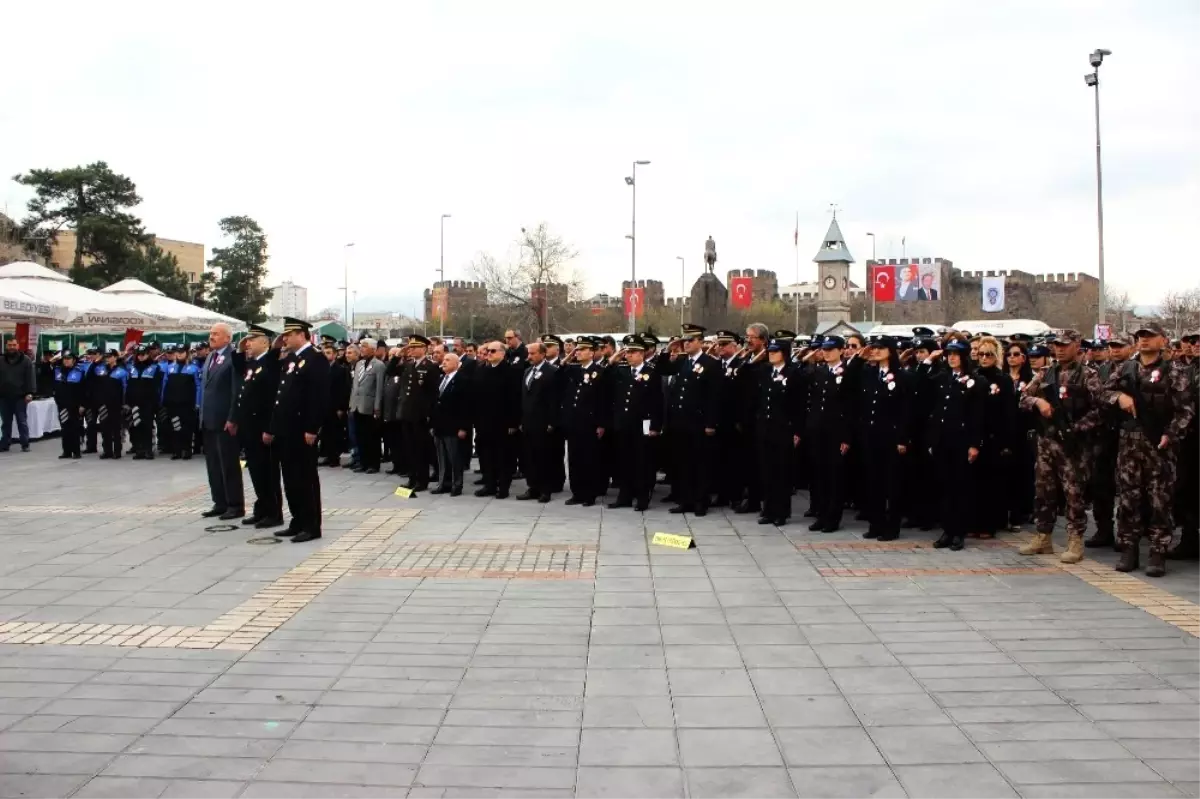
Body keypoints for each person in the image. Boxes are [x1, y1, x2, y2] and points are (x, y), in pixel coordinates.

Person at [1102, 322, 1195, 577]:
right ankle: (1129, 548)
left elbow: (1185, 411)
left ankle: (1157, 551)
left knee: (1159, 500)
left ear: (1163, 340)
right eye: (1140, 336)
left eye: (1149, 336)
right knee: (1129, 498)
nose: (1144, 340)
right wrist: (1118, 398)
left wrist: (1171, 434)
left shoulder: (1174, 371)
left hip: (1158, 444)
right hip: (1129, 442)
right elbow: (1103, 392)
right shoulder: (1125, 369)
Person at [1016, 330, 1103, 563]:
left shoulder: (1088, 375)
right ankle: (1043, 537)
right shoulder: (1046, 373)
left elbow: (1100, 410)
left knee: (1074, 494)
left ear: (1077, 346)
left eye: (1065, 345)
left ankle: (1075, 540)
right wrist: (1039, 401)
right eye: (1057, 345)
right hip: (1047, 443)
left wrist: (1077, 428)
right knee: (1044, 491)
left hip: (1074, 446)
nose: (1061, 349)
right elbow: (1023, 399)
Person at [267, 318, 330, 543]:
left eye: (289, 335)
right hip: (286, 429)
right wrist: (274, 427)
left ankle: (311, 525)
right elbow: (281, 397)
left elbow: (319, 398)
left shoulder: (315, 359)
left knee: (305, 478)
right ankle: (297, 520)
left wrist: (312, 428)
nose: (285, 339)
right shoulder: (291, 359)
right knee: (290, 478)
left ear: (301, 335)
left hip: (302, 429)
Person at [657, 323, 721, 516]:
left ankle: (701, 501)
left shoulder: (710, 363)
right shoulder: (683, 362)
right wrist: (668, 349)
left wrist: (710, 423)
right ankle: (686, 500)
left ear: (701, 342)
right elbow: (663, 368)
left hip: (698, 422)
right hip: (680, 422)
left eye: (690, 340)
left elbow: (714, 397)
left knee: (699, 464)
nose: (686, 344)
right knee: (683, 464)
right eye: (684, 340)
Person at [928, 338, 984, 550]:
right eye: (948, 354)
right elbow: (934, 409)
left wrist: (974, 444)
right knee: (944, 487)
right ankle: (947, 530)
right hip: (943, 439)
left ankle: (959, 532)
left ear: (964, 356)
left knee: (960, 488)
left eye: (955, 354)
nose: (951, 357)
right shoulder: (942, 378)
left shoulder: (974, 381)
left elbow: (977, 415)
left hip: (961, 440)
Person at [858, 336, 911, 540]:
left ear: (891, 350)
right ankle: (876, 524)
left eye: (881, 348)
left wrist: (902, 439)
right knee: (873, 483)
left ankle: (892, 526)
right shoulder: (869, 373)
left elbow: (906, 411)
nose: (876, 351)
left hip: (891, 437)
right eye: (874, 347)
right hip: (871, 436)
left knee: (892, 485)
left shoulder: (901, 376)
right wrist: (859, 359)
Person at [234, 325, 283, 529]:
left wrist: (270, 429)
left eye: (252, 340)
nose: (248, 344)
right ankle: (261, 509)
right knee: (255, 471)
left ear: (264, 342)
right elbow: (239, 371)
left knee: (267, 473)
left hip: (262, 427)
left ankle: (274, 513)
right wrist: (238, 350)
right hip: (250, 427)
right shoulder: (253, 364)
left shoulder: (270, 364)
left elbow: (272, 401)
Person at [608, 334, 663, 511]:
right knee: (624, 461)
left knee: (641, 463)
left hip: (642, 424)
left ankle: (642, 498)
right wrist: (614, 359)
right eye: (627, 352)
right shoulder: (622, 371)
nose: (628, 355)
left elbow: (657, 401)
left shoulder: (652, 372)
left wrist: (655, 426)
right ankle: (624, 496)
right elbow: (604, 375)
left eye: (632, 352)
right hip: (624, 424)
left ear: (642, 354)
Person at [806, 335, 854, 532]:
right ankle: (822, 515)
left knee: (834, 477)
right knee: (820, 475)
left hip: (836, 432)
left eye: (831, 349)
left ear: (841, 350)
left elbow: (851, 407)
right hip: (818, 431)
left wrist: (846, 437)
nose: (826, 352)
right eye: (824, 349)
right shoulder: (819, 371)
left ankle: (833, 518)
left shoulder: (848, 373)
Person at [755, 337, 804, 526]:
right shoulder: (765, 371)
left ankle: (781, 512)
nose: (771, 354)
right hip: (765, 428)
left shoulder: (793, 373)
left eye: (775, 351)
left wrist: (797, 431)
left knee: (781, 473)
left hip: (784, 429)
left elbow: (799, 406)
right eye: (770, 351)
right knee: (767, 471)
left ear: (784, 353)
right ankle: (768, 509)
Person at [199, 322, 245, 520]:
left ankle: (235, 505)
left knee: (229, 465)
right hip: (208, 419)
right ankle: (219, 502)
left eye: (216, 334)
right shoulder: (210, 356)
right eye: (210, 333)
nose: (211, 337)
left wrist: (232, 418)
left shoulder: (232, 358)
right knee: (213, 465)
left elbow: (236, 390)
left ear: (228, 338)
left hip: (225, 420)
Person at [971, 336, 1014, 538]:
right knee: (974, 482)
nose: (985, 358)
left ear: (996, 356)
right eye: (981, 354)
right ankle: (974, 522)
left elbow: (1008, 412)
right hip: (975, 433)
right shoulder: (973, 376)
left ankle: (989, 524)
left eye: (989, 354)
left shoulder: (1003, 379)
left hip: (994, 436)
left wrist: (1006, 442)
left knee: (991, 483)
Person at [560, 336, 608, 506]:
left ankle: (590, 493)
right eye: (577, 349)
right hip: (574, 421)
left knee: (589, 459)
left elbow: (603, 400)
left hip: (590, 422)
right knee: (574, 458)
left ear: (592, 352)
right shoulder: (574, 369)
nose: (578, 352)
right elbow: (558, 370)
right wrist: (570, 355)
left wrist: (601, 423)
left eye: (582, 349)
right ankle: (577, 492)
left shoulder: (599, 371)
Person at [473, 341, 520, 499]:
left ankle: (503, 487)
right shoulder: (481, 370)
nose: (489, 353)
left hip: (502, 422)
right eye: (487, 351)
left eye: (493, 351)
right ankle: (490, 485)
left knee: (503, 456)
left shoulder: (510, 372)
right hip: (483, 422)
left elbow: (514, 399)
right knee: (486, 455)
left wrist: (513, 423)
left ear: (502, 353)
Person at [517, 341, 560, 502]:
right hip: (528, 421)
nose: (529, 356)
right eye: (528, 353)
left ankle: (545, 489)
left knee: (544, 457)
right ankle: (532, 486)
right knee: (529, 456)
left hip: (543, 422)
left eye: (533, 353)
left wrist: (552, 422)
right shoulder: (527, 371)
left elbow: (554, 399)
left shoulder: (551, 371)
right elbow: (524, 397)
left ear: (542, 354)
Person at [398, 335, 439, 491]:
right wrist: (398, 355)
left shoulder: (430, 367)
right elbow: (392, 371)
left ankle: (421, 481)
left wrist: (429, 415)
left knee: (420, 449)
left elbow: (433, 394)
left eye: (414, 348)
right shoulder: (409, 365)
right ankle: (412, 478)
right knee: (409, 448)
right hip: (407, 413)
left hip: (421, 415)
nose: (411, 350)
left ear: (423, 349)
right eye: (410, 347)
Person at [1004, 341, 1036, 530]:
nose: (1012, 357)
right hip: (1007, 430)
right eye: (1009, 354)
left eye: (1016, 354)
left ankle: (1022, 511)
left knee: (1023, 472)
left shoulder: (1031, 379)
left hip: (1024, 431)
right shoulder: (1002, 377)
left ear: (1024, 358)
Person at [430, 352, 472, 495]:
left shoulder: (462, 380)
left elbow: (466, 407)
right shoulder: (441, 378)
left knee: (454, 458)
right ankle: (443, 483)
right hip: (439, 425)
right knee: (441, 458)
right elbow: (435, 402)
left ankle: (457, 485)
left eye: (448, 360)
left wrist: (463, 427)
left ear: (456, 364)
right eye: (444, 360)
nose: (444, 362)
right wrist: (433, 424)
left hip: (454, 426)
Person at [350, 338, 386, 474]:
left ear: (373, 349)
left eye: (364, 346)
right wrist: (351, 404)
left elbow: (379, 388)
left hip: (370, 406)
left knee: (372, 436)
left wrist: (377, 407)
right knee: (360, 435)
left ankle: (373, 463)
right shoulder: (359, 364)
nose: (362, 349)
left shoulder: (378, 365)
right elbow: (355, 386)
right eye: (361, 346)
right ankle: (363, 462)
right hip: (357, 405)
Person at [161, 346, 201, 460]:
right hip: (173, 403)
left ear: (186, 353)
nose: (179, 354)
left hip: (187, 404)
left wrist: (197, 402)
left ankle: (186, 450)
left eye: (182, 352)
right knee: (174, 426)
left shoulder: (193, 368)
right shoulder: (170, 368)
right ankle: (176, 450)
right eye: (177, 352)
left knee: (187, 427)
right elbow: (165, 385)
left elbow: (198, 386)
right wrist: (163, 400)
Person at [126, 344, 164, 460]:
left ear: (148, 355)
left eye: (143, 355)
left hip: (148, 403)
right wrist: (127, 401)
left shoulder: (155, 368)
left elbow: (158, 386)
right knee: (137, 426)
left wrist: (156, 402)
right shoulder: (132, 368)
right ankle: (139, 450)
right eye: (139, 355)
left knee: (147, 426)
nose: (141, 357)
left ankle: (148, 450)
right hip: (135, 403)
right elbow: (129, 386)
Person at [319, 336, 351, 468]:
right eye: (324, 353)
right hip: (324, 406)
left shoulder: (341, 369)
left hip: (335, 406)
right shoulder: (322, 369)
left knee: (335, 433)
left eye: (328, 353)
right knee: (325, 433)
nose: (326, 355)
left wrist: (341, 407)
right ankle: (327, 455)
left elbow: (344, 389)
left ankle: (334, 457)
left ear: (335, 354)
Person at [0, 337, 35, 453]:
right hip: (4, 397)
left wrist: (30, 393)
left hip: (20, 397)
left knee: (22, 421)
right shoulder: (1, 360)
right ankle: (5, 444)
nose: (12, 347)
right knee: (6, 422)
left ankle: (25, 444)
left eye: (14, 345)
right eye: (9, 345)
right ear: (6, 346)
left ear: (18, 346)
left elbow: (30, 378)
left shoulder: (26, 360)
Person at [93, 350, 128, 459]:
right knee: (104, 428)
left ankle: (117, 451)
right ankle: (107, 451)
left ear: (116, 357)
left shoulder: (122, 371)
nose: (107, 358)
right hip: (103, 404)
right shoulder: (100, 369)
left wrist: (124, 403)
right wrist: (95, 362)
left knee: (116, 429)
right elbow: (91, 378)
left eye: (110, 356)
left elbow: (125, 389)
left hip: (116, 404)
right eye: (106, 356)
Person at [52, 350, 85, 459]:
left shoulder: (79, 372)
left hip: (75, 405)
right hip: (62, 405)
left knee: (75, 428)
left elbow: (84, 390)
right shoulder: (57, 371)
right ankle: (66, 451)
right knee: (65, 428)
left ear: (73, 360)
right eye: (65, 359)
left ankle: (76, 451)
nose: (66, 361)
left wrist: (82, 404)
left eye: (68, 359)